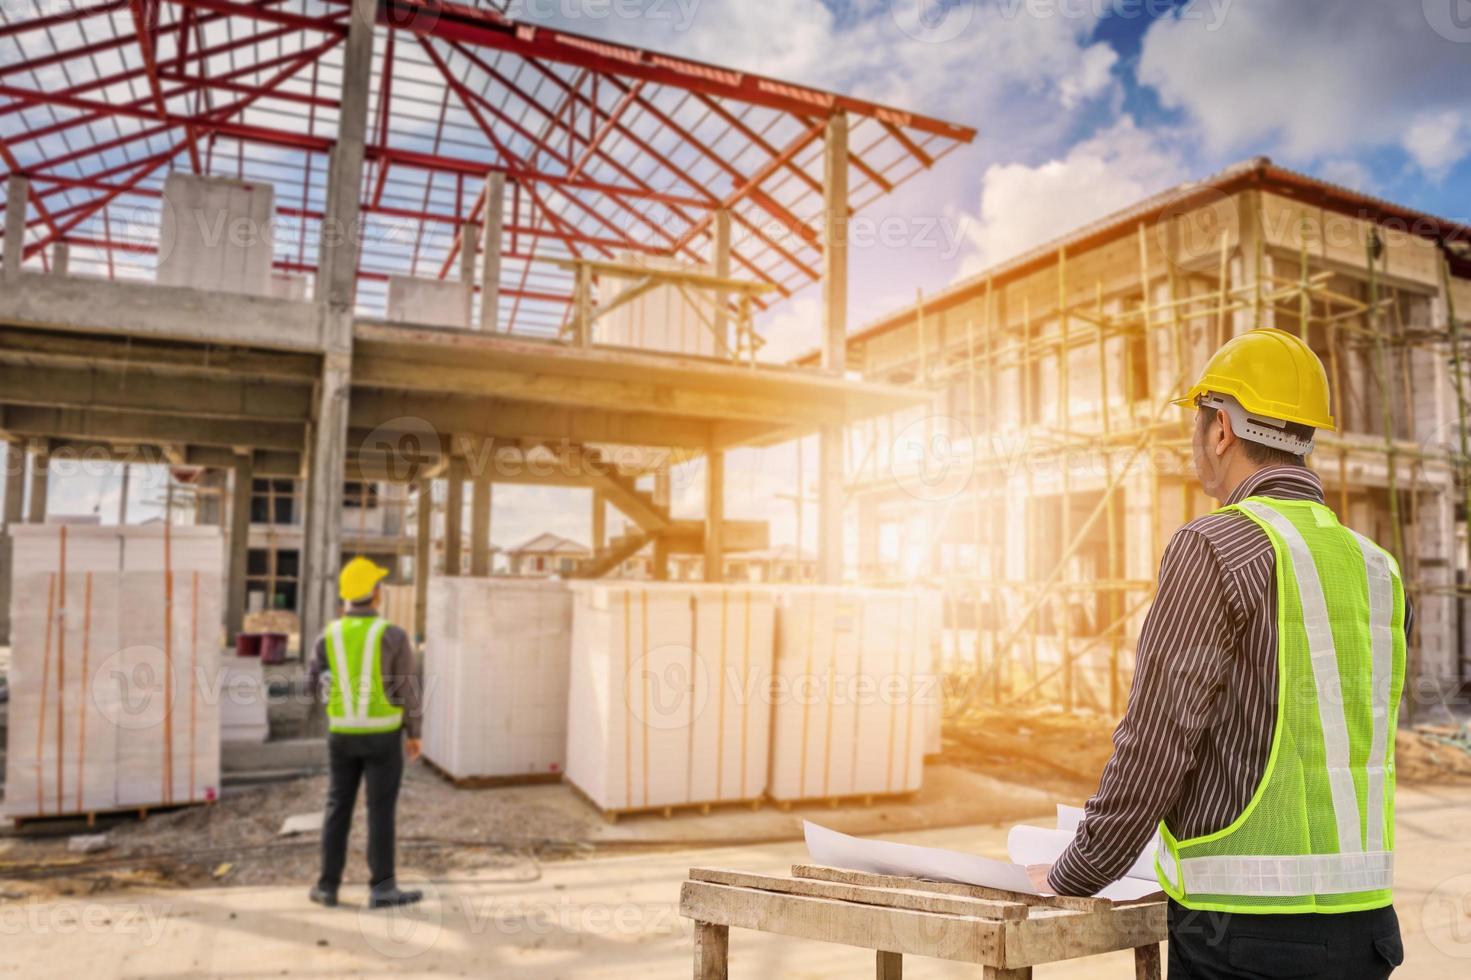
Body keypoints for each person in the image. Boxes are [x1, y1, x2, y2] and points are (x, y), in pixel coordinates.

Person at [1033, 329, 1407, 978]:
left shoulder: (1213, 546)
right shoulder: (1376, 567)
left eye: (1196, 422)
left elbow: (1156, 743)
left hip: (1244, 937)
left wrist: (1077, 871)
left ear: (1221, 431)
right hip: (1365, 929)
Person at [307, 556, 425, 909]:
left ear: (346, 597)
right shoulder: (392, 634)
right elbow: (408, 689)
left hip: (342, 735)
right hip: (383, 736)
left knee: (337, 807)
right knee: (380, 811)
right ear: (375, 594)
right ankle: (382, 889)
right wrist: (414, 732)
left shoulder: (327, 636)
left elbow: (312, 686)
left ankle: (327, 887)